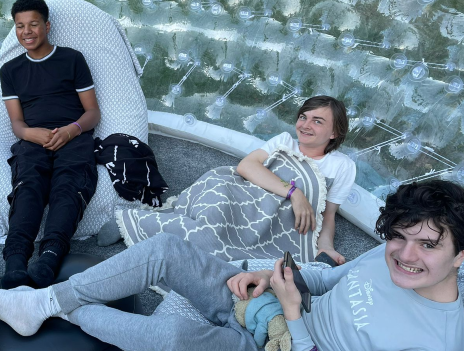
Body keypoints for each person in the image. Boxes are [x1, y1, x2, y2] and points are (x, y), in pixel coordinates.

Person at [0, 179, 464, 351]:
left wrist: (294, 316)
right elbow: (330, 282)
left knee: (176, 334)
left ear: (460, 255)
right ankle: (44, 302)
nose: (406, 254)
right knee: (167, 248)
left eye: (429, 245)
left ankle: (53, 308)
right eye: (399, 237)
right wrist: (273, 277)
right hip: (274, 307)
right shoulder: (388, 255)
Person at [97, 95, 356, 265]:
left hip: (277, 223)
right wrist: (294, 193)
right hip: (248, 197)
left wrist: (325, 248)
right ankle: (129, 220)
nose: (305, 125)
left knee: (215, 237)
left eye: (317, 121)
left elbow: (328, 215)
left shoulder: (342, 166)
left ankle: (137, 223)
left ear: (335, 131)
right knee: (216, 207)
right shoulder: (285, 142)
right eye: (303, 117)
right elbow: (247, 166)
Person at [0, 0, 101, 288]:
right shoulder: (11, 71)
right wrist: (30, 133)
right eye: (20, 26)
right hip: (33, 139)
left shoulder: (71, 59)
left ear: (47, 25)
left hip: (73, 135)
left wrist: (71, 130)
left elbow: (93, 112)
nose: (27, 32)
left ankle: (50, 256)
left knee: (68, 185)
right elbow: (17, 122)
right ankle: (16, 259)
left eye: (33, 24)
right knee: (28, 184)